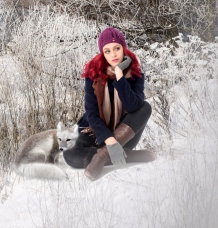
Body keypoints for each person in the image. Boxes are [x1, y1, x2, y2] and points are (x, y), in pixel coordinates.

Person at [63, 27, 156, 181]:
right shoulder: (93, 76)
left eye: (117, 48)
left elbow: (133, 107)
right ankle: (127, 156)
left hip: (124, 136)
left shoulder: (136, 75)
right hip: (96, 133)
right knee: (70, 155)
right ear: (102, 54)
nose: (113, 54)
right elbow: (91, 113)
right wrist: (110, 142)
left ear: (124, 49)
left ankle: (102, 156)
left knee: (145, 107)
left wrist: (120, 76)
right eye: (107, 51)